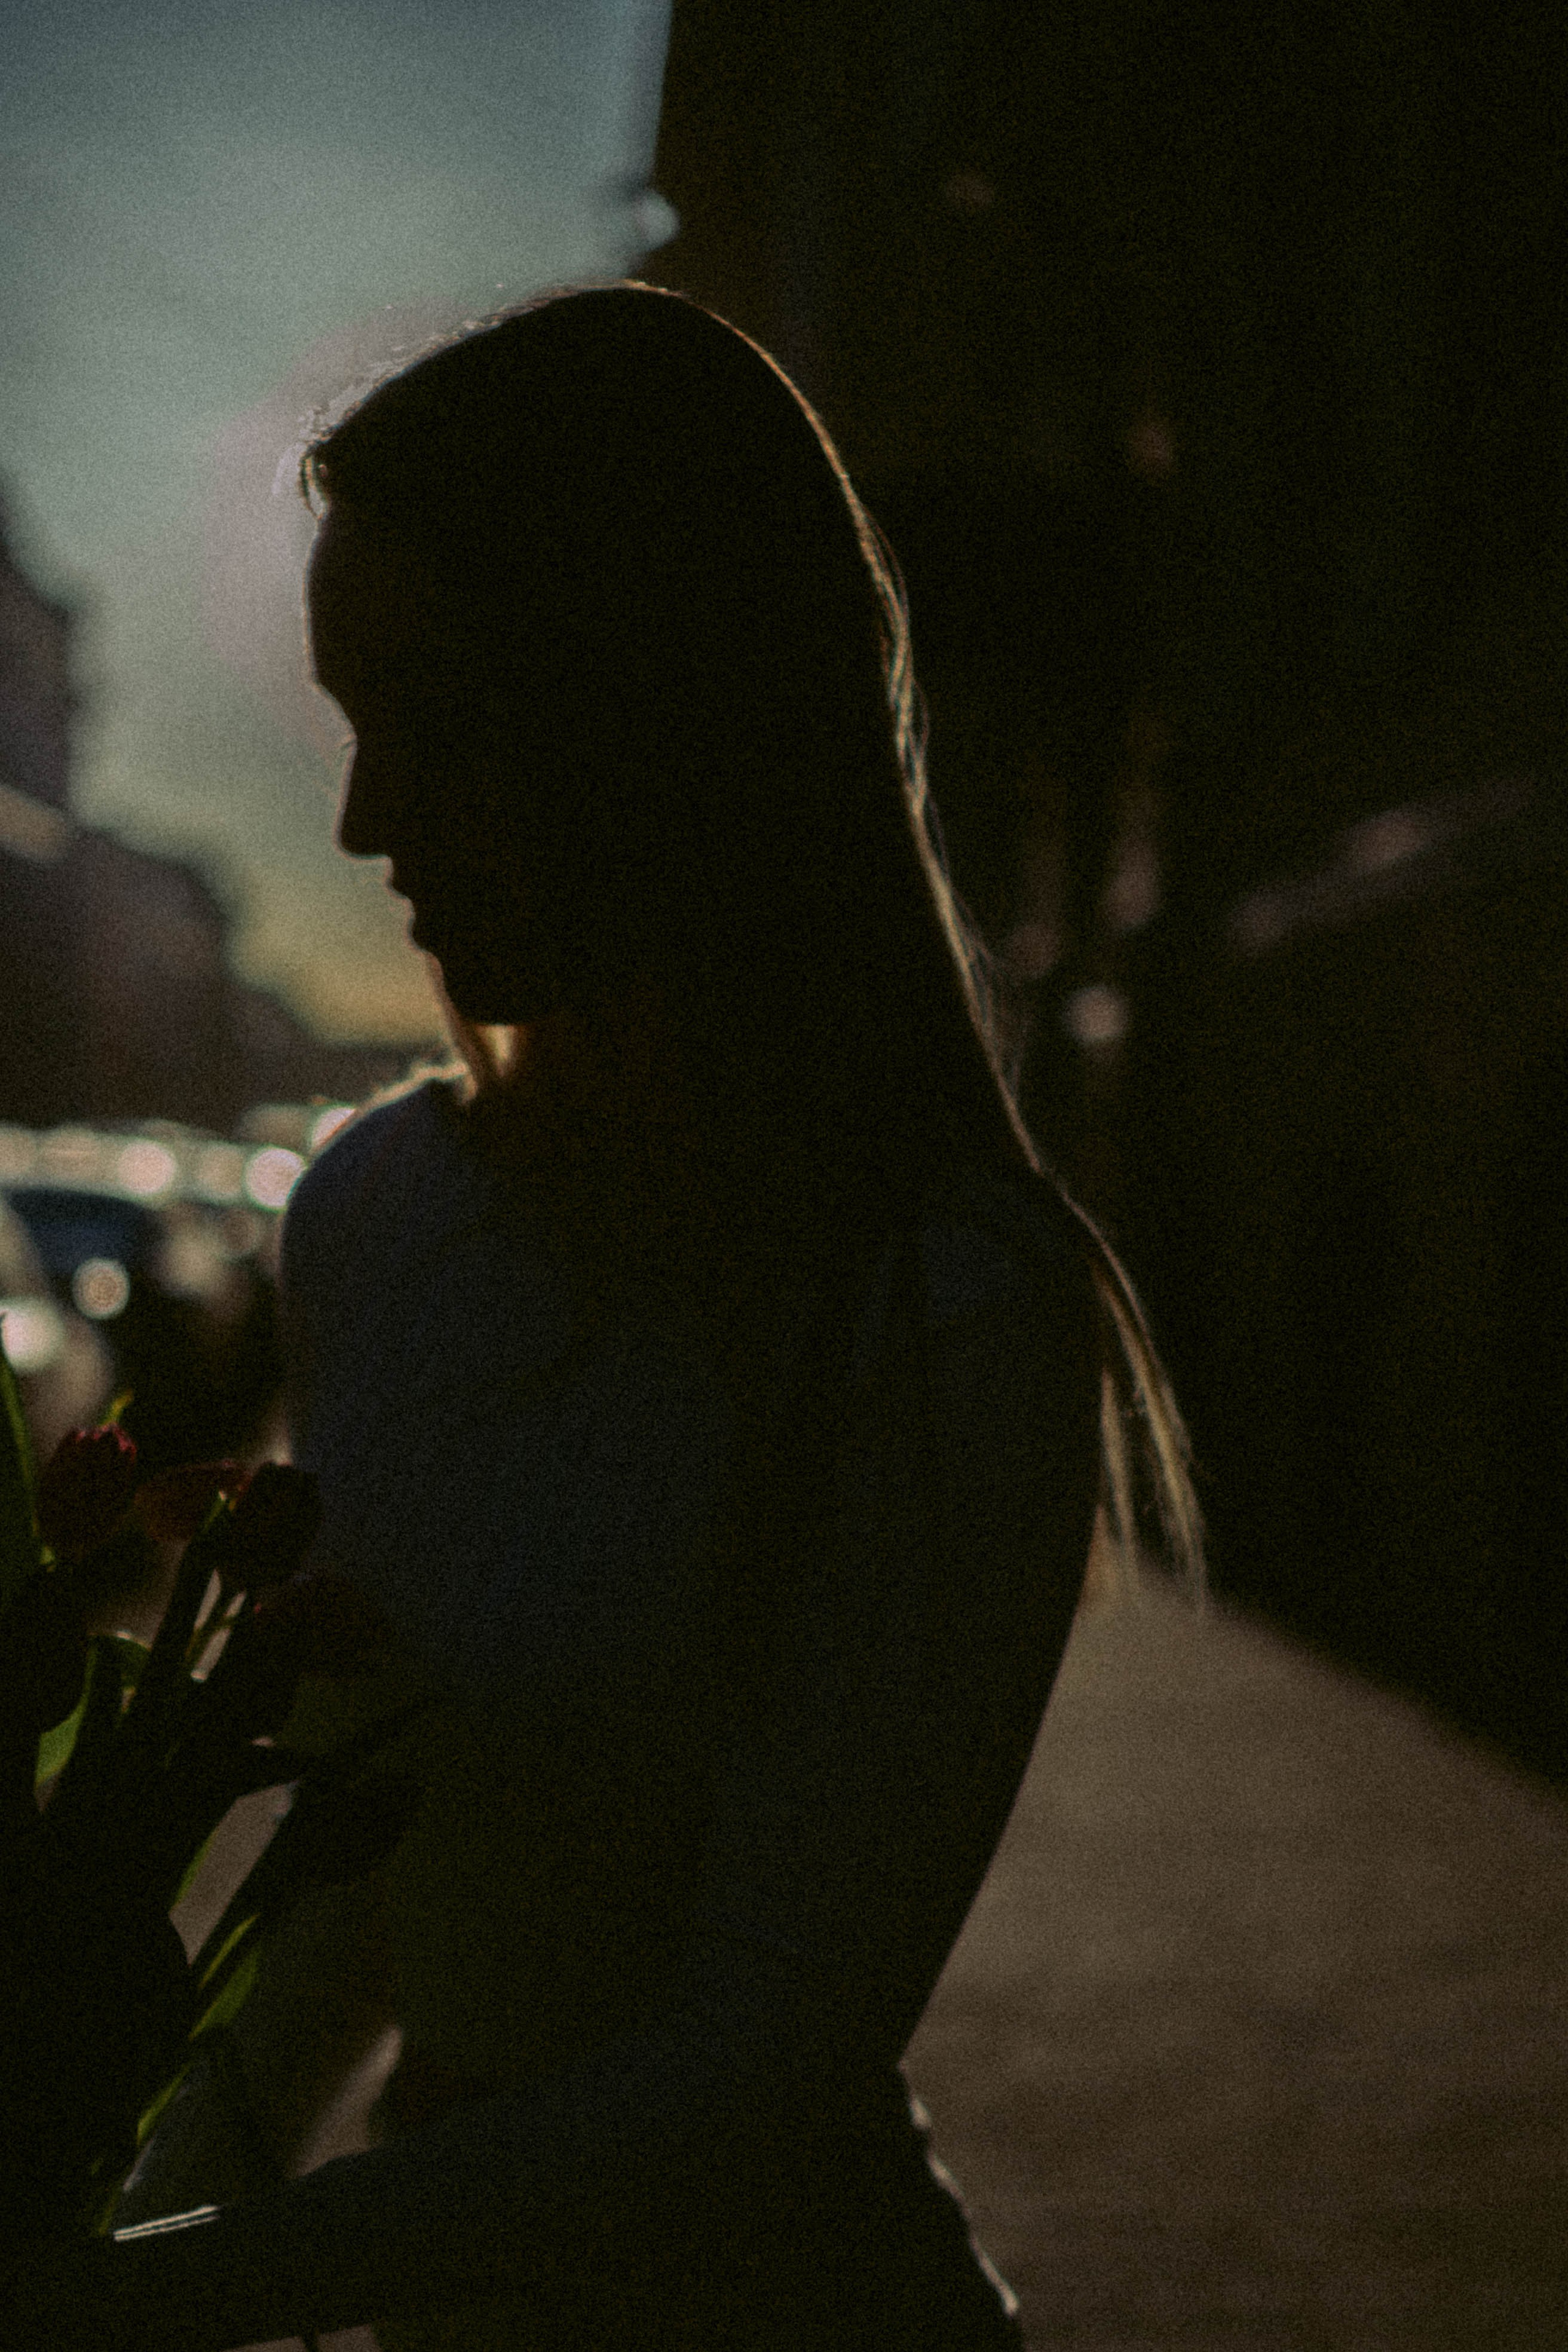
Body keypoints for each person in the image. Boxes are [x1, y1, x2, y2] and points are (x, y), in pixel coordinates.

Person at [31, 282, 1199, 2350]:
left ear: (672, 711)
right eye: (346, 722)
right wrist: (115, 2237)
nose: (368, 823)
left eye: (441, 716)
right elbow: (356, 1916)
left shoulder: (946, 1301)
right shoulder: (378, 1212)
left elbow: (750, 2080)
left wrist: (162, 2300)